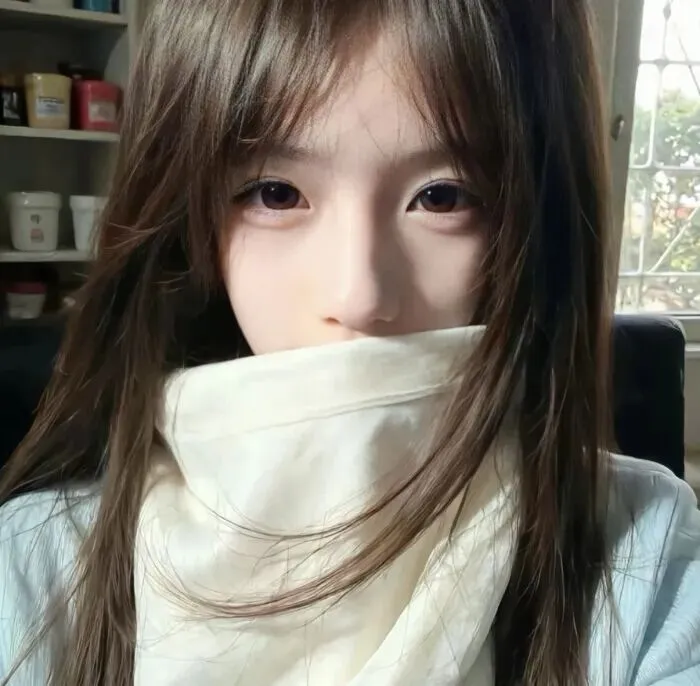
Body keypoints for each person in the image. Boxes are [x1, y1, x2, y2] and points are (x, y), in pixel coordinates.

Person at [1, 0, 699, 683]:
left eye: (443, 197)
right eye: (275, 194)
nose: (358, 296)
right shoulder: (40, 562)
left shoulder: (643, 552)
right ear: (190, 225)